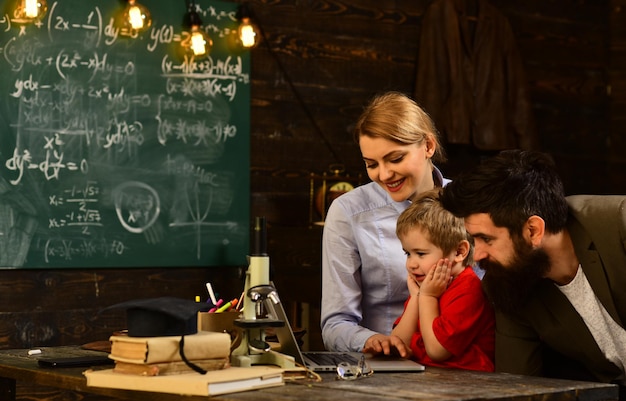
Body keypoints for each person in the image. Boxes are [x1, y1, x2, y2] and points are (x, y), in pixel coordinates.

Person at [440, 149, 626, 389]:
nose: (478, 256)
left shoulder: (619, 225)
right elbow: (516, 387)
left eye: (487, 239)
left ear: (533, 231)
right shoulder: (508, 281)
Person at [321, 91, 449, 355]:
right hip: (388, 367)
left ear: (428, 146)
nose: (384, 174)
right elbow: (335, 324)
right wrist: (370, 340)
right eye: (371, 164)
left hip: (465, 365)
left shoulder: (470, 205)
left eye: (395, 158)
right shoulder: (348, 212)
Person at [391, 188, 494, 371]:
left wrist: (427, 298)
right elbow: (398, 343)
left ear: (459, 252)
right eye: (408, 253)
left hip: (468, 383)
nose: (411, 264)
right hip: (428, 378)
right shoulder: (426, 286)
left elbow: (437, 350)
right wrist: (416, 298)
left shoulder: (468, 289)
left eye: (421, 254)